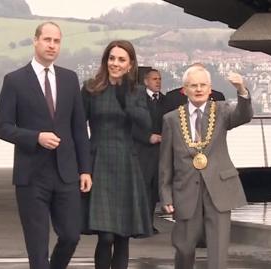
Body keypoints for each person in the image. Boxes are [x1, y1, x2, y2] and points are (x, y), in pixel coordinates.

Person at [0, 21, 92, 269]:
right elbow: (2, 127)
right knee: (37, 249)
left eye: (57, 41)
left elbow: (79, 129)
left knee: (71, 235)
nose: (52, 45)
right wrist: (35, 137)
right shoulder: (15, 80)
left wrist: (85, 169)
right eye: (47, 40)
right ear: (35, 41)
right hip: (31, 176)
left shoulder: (70, 79)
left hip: (66, 174)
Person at [159, 65, 253, 269]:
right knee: (184, 248)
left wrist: (241, 90)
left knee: (218, 251)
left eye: (203, 85)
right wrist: (165, 194)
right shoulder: (172, 119)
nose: (199, 89)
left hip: (218, 189)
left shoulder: (222, 110)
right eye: (194, 85)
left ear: (210, 89)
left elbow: (244, 115)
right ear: (185, 90)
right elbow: (165, 162)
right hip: (185, 190)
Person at [82, 40, 153, 269]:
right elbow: (77, 127)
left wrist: (125, 99)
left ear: (130, 64)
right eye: (112, 58)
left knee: (123, 235)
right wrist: (82, 166)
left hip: (125, 163)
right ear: (106, 61)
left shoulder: (137, 91)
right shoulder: (91, 88)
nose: (115, 63)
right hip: (99, 161)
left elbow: (145, 125)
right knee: (106, 236)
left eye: (121, 59)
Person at [132, 68, 164, 234]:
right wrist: (147, 137)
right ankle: (137, 225)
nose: (158, 82)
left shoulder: (164, 101)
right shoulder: (137, 100)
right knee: (141, 188)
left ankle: (148, 224)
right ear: (145, 82)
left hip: (159, 152)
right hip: (142, 151)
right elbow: (130, 125)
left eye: (159, 79)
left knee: (152, 190)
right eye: (154, 79)